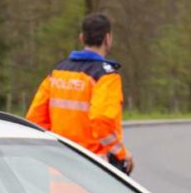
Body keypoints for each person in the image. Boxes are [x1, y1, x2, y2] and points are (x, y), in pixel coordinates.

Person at [26, 13, 134, 174]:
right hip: (93, 173)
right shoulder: (106, 76)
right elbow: (101, 120)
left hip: (58, 171)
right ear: (107, 38)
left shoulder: (58, 71)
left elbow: (35, 119)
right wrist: (121, 153)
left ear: (82, 38)